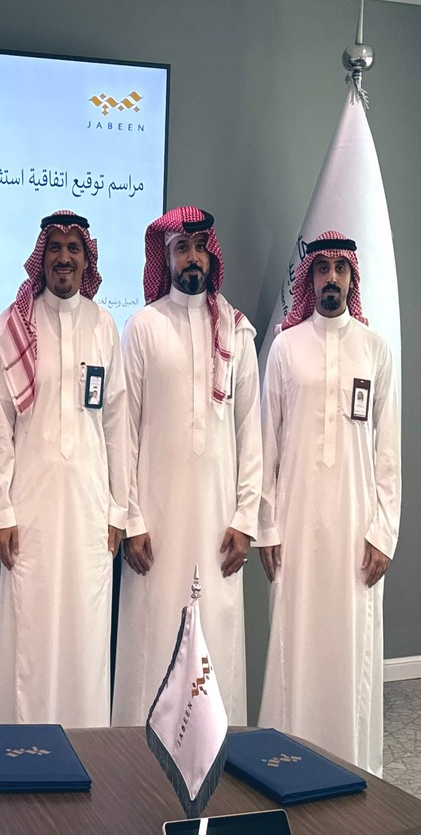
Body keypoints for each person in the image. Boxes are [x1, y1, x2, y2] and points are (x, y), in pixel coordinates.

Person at [257, 231, 400, 776]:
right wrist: (267, 526)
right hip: (295, 526)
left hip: (356, 531)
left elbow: (389, 452)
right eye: (323, 269)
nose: (332, 278)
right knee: (296, 643)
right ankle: (286, 761)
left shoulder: (375, 350)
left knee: (350, 645)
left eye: (341, 269)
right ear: (310, 277)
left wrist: (383, 532)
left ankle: (354, 765)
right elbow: (267, 445)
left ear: (351, 279)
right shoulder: (286, 348)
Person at [112, 207, 262, 726]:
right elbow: (124, 432)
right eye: (182, 248)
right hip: (156, 528)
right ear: (167, 256)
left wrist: (245, 519)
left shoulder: (238, 332)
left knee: (216, 643)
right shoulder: (142, 327)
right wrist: (132, 520)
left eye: (200, 247)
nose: (192, 257)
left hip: (220, 527)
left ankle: (217, 753)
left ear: (211, 255)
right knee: (152, 642)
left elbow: (250, 432)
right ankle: (137, 757)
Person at [0, 210, 129, 726]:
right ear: (41, 257)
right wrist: (1, 512)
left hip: (91, 513)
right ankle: (24, 750)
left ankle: (85, 747)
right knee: (31, 632)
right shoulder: (13, 326)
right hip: (31, 509)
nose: (64, 258)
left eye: (74, 248)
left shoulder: (104, 325)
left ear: (87, 260)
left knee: (85, 634)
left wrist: (119, 510)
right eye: (55, 248)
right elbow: (0, 427)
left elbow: (116, 424)